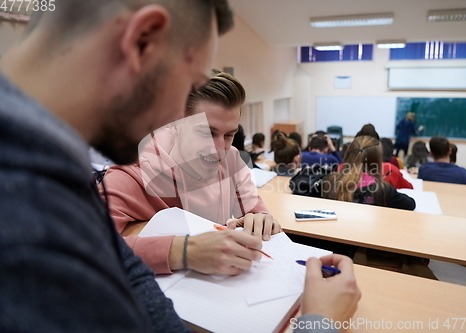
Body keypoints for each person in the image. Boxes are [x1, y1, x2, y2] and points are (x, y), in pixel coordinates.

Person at [0, 1, 361, 332]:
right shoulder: (33, 216)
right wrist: (319, 324)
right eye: (190, 83)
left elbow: (120, 262)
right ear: (143, 41)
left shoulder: (57, 178)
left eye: (229, 135)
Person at [101, 71, 281, 275]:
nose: (219, 149)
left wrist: (260, 220)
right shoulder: (128, 177)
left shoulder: (232, 161)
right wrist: (183, 251)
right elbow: (86, 249)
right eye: (207, 133)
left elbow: (259, 215)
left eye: (229, 135)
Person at [323, 136, 416, 211]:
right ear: (378, 160)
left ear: (348, 155)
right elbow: (410, 204)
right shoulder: (382, 190)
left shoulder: (329, 180)